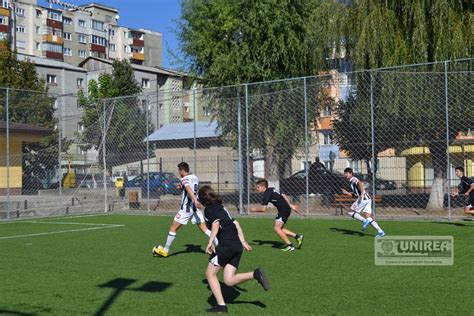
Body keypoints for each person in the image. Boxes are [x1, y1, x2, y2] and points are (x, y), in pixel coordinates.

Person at [198, 185, 269, 313]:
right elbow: (235, 223)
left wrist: (210, 242)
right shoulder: (222, 208)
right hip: (236, 245)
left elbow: (216, 224)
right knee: (228, 280)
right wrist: (242, 241)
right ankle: (255, 274)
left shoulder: (209, 210)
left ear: (202, 199)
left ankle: (221, 306)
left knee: (210, 274)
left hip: (227, 245)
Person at [153, 162, 217, 257]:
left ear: (182, 170)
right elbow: (190, 187)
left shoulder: (184, 179)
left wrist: (194, 200)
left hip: (187, 208)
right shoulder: (195, 177)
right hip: (196, 208)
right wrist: (182, 187)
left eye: (179, 171)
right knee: (204, 229)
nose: (178, 173)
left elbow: (188, 188)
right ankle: (220, 244)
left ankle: (165, 250)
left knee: (173, 228)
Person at [250, 179, 304, 252]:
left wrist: (254, 209)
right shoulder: (271, 189)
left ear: (262, 187)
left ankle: (290, 246)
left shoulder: (266, 194)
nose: (257, 189)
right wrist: (290, 205)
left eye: (258, 187)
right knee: (280, 228)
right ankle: (298, 237)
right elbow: (283, 195)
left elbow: (263, 209)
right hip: (284, 209)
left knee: (277, 229)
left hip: (284, 210)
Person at [341, 168, 385, 238]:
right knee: (368, 217)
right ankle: (381, 232)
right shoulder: (351, 182)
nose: (345, 175)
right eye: (345, 173)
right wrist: (346, 193)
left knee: (350, 211)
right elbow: (355, 195)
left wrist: (362, 194)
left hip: (363, 199)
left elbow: (360, 183)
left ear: (351, 173)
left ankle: (364, 221)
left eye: (347, 173)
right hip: (367, 199)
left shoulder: (353, 179)